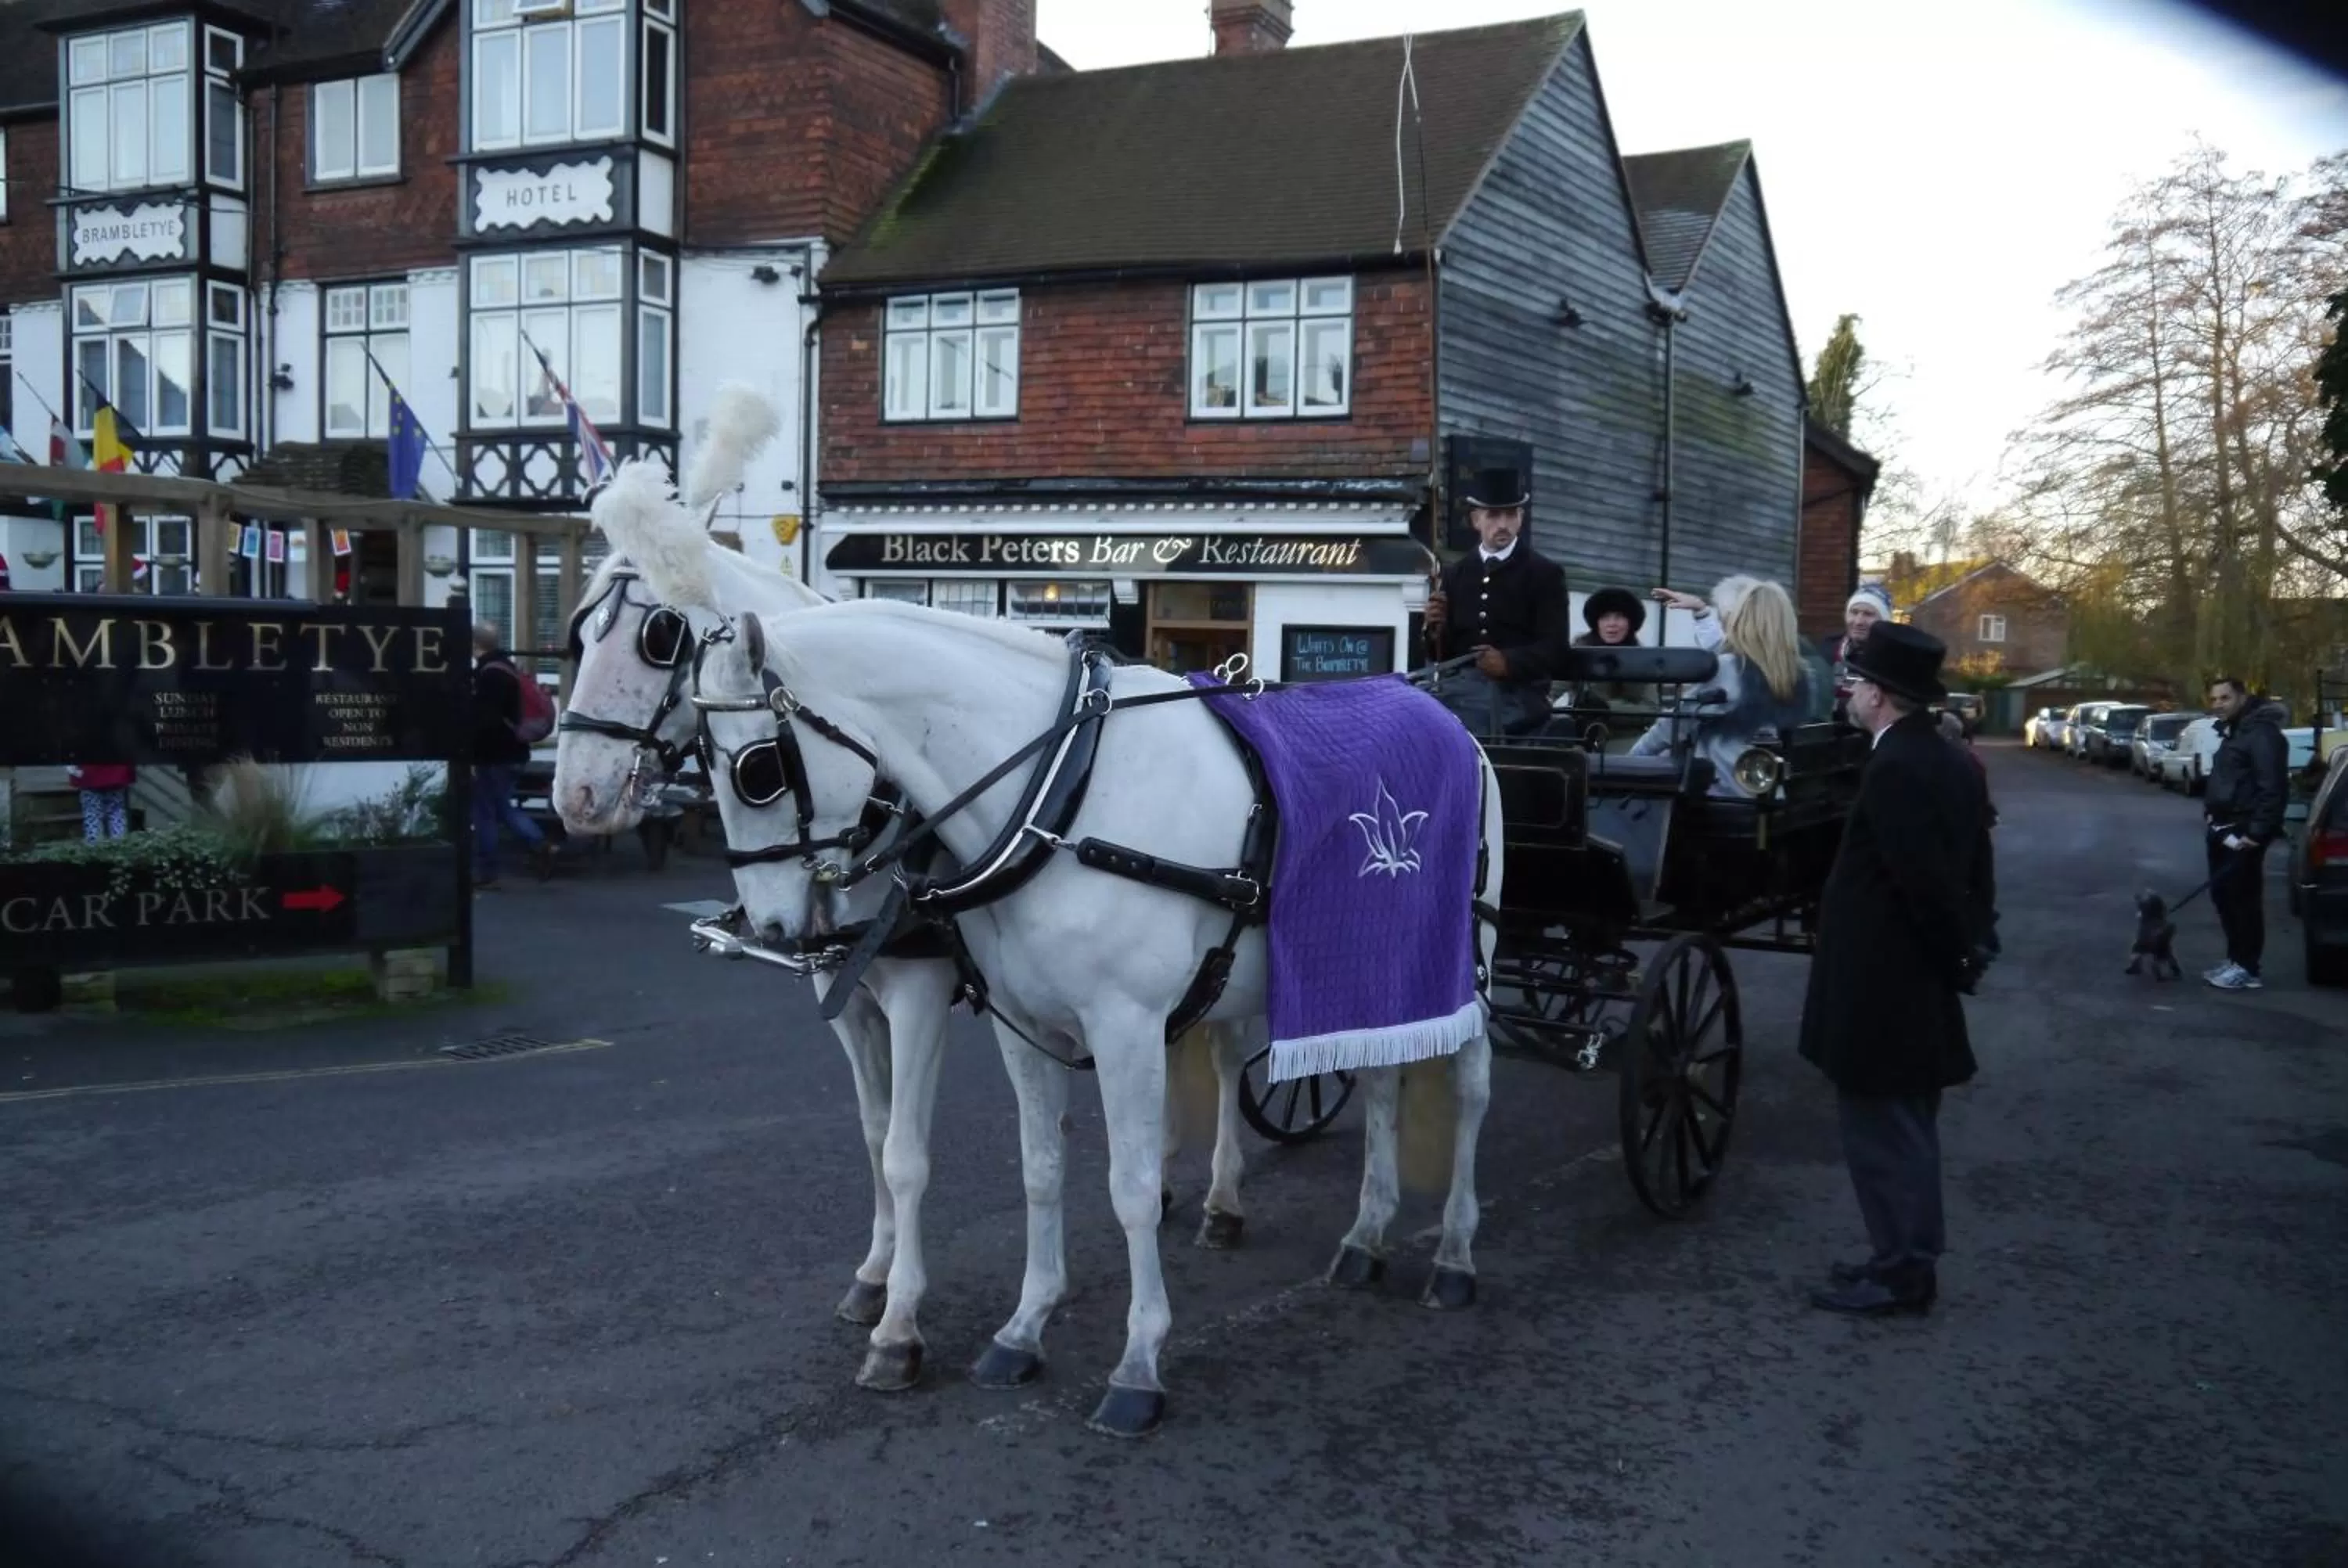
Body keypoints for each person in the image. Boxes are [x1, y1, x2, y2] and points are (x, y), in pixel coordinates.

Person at [1800, 622, 1995, 1317]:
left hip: (1887, 986)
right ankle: (1897, 1257)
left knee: (1887, 1134)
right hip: (1908, 982)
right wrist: (1966, 955)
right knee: (1902, 1127)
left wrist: (1956, 958)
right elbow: (1972, 874)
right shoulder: (1942, 758)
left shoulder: (1899, 768)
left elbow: (1928, 888)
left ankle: (1906, 1271)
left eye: (1855, 683)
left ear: (1881, 695)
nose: (1847, 692)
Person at [1629, 579, 1816, 797]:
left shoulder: (1729, 669)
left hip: (1723, 789)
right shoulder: (1799, 676)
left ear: (1741, 619)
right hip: (1769, 788)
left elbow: (1675, 725)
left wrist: (1632, 760)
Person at [1423, 467, 1570, 737]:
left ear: (1521, 517)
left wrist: (1508, 662)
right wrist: (1435, 629)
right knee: (1411, 714)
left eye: (1511, 514)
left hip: (1519, 697)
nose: (1503, 524)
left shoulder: (1544, 573)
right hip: (1461, 690)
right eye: (1494, 515)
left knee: (1460, 724)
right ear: (1476, 519)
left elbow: (1556, 649)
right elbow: (1443, 654)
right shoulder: (1457, 573)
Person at [2200, 677, 2289, 991]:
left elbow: (2273, 788)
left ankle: (2248, 968)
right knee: (2224, 896)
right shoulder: (2236, 731)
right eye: (2214, 699)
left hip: (2244, 831)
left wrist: (2257, 832)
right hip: (2223, 827)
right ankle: (2236, 959)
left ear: (2241, 697)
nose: (2218, 705)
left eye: (2224, 698)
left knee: (2243, 899)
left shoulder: (2263, 734)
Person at [471, 624, 553, 888]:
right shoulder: (509, 667)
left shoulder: (489, 674)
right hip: (517, 751)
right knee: (502, 806)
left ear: (475, 645)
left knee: (486, 812)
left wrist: (471, 750)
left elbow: (486, 721)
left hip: (494, 755)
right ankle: (538, 844)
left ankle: (488, 872)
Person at [1567, 586, 1658, 721]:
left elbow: (1652, 709)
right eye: (1605, 617)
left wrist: (1605, 708)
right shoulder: (1580, 651)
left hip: (1627, 735)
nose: (1612, 624)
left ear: (1630, 623)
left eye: (1619, 617)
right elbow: (1552, 688)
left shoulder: (1641, 658)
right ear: (1596, 622)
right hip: (1584, 733)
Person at [1820, 584, 1892, 721]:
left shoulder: (1894, 658)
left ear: (1885, 621)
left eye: (1868, 614)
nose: (1859, 621)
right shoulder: (1828, 649)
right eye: (1854, 612)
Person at [68, 762, 136, 841]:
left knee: (92, 813)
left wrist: (73, 769)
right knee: (116, 812)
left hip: (89, 773)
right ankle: (119, 844)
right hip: (115, 770)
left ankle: (93, 845)